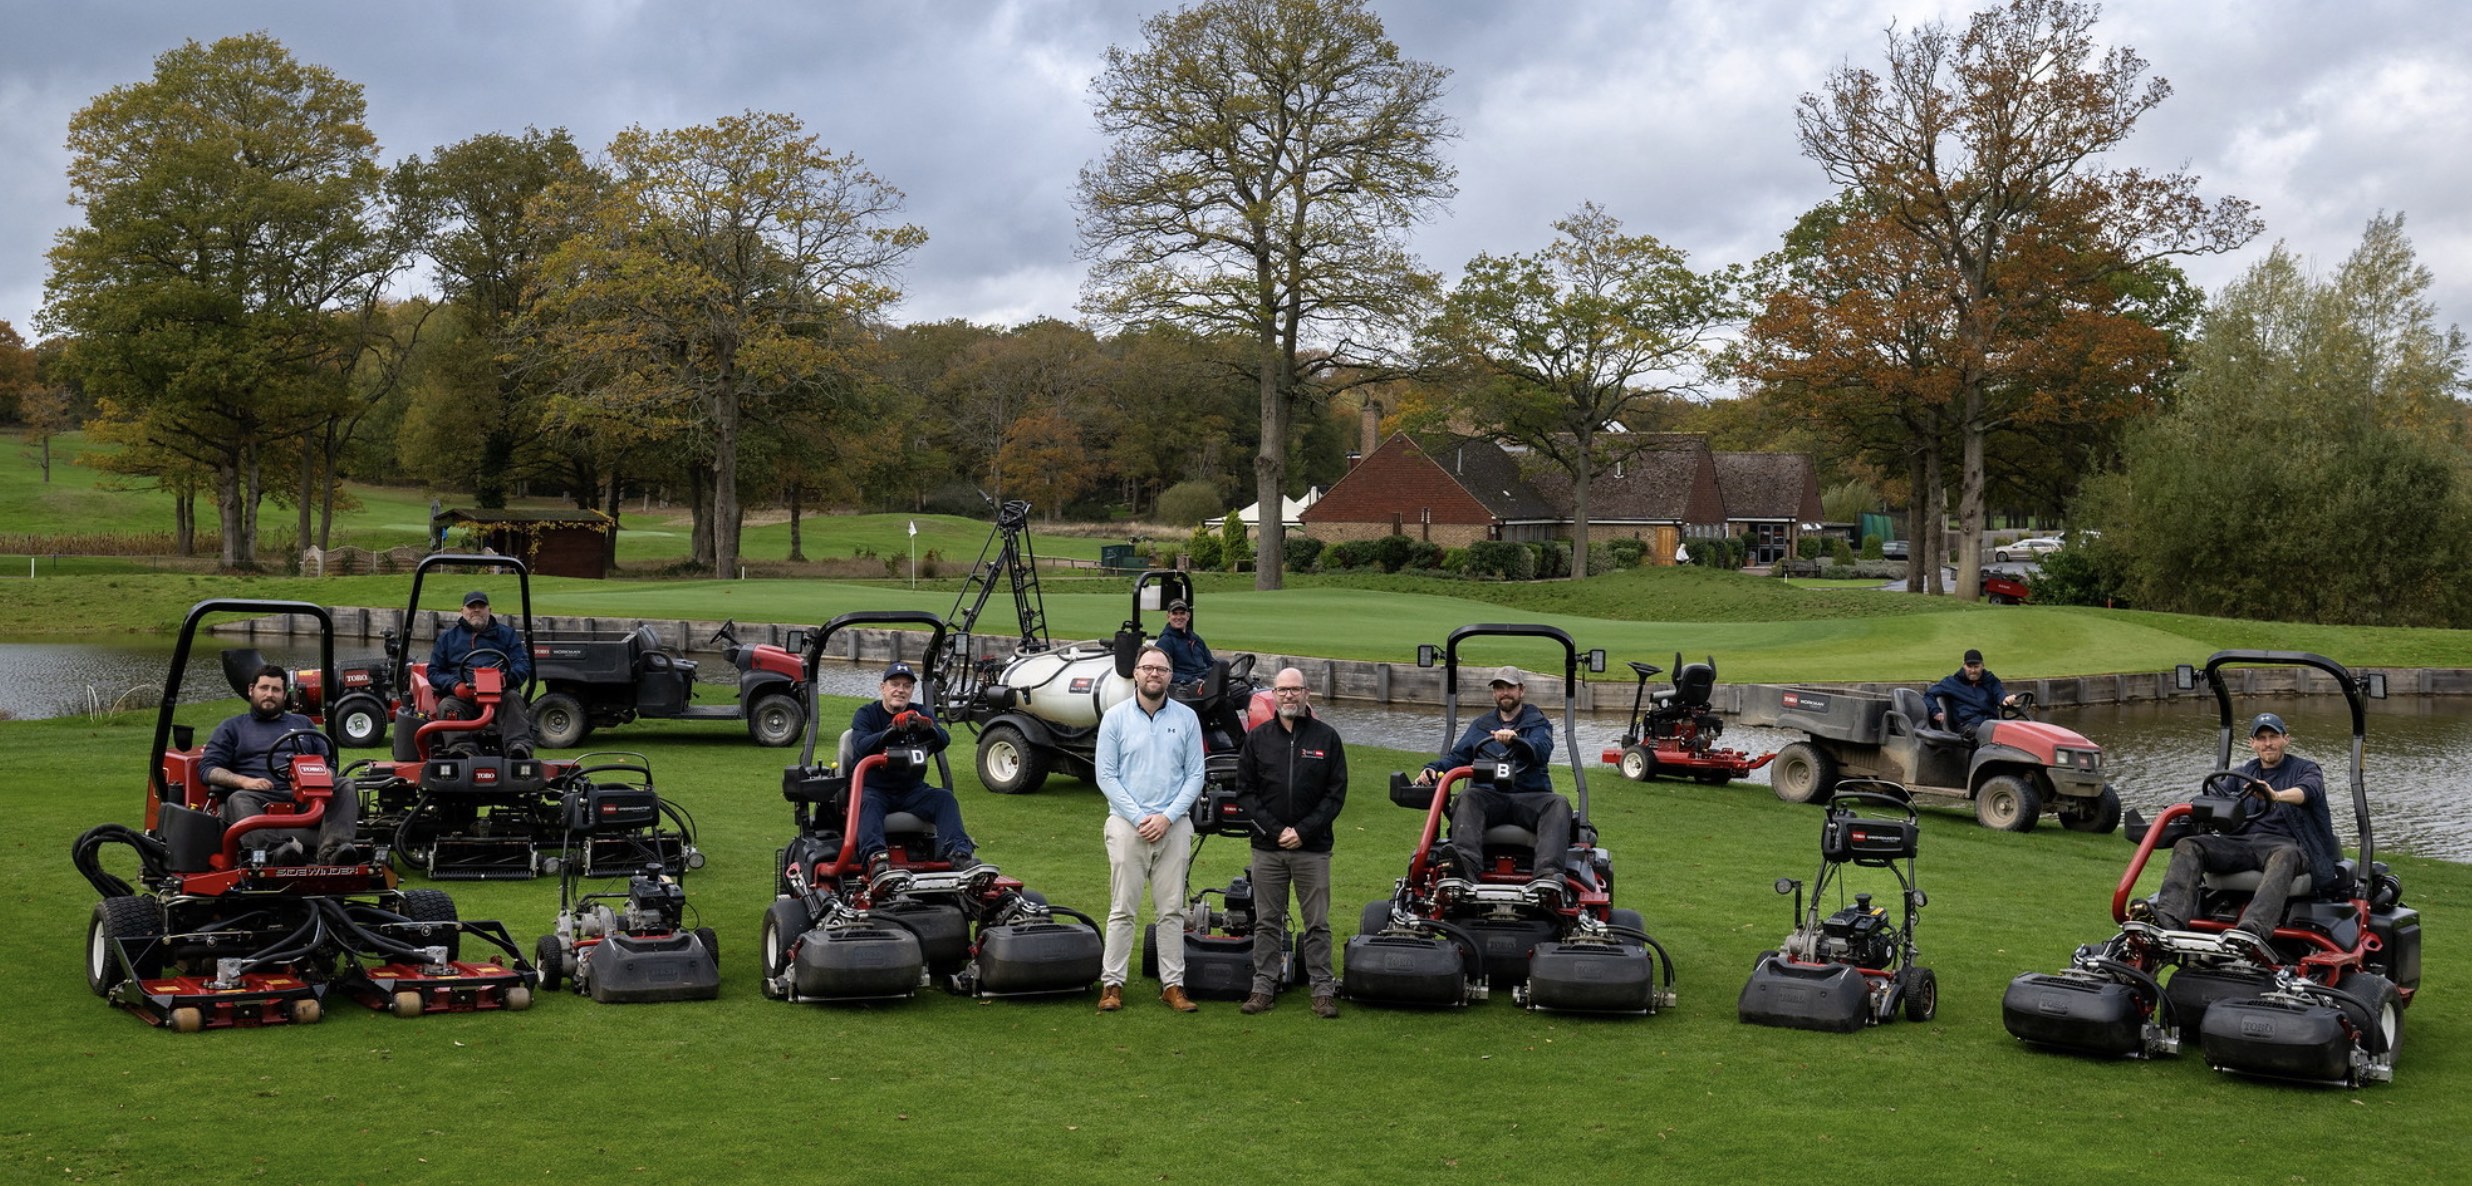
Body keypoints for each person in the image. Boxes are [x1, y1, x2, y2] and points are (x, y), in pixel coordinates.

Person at [2134, 712, 2344, 951]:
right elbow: (2214, 797)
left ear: (2286, 739)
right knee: (2189, 845)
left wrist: (2275, 795)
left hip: (2286, 845)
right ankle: (2168, 920)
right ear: (2252, 743)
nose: (2268, 743)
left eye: (2273, 737)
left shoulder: (2306, 770)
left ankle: (2252, 930)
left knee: (2284, 856)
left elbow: (2307, 791)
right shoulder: (2242, 774)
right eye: (2261, 738)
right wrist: (2180, 812)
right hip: (2240, 845)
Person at [1094, 643, 1208, 1013]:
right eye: (1147, 668)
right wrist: (1139, 817)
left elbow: (1195, 775)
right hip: (1127, 825)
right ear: (1136, 673)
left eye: (1161, 669)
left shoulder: (1187, 718)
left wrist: (1167, 817)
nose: (1154, 674)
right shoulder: (1115, 718)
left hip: (1173, 826)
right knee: (1122, 909)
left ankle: (1172, 985)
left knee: (1172, 910)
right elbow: (1106, 776)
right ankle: (1112, 984)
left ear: (1170, 676)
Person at [1232, 667, 1347, 1019]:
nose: (1288, 696)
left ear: (1306, 693)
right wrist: (1276, 831)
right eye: (1282, 690)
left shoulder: (1327, 738)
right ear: (1274, 694)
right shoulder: (1257, 738)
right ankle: (1263, 987)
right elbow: (1245, 793)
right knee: (1267, 921)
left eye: (1295, 689)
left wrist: (1303, 831)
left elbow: (1335, 795)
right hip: (1268, 848)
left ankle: (1322, 990)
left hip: (1312, 848)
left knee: (1317, 923)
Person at [1414, 665, 1570, 900]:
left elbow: (1541, 749)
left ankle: (1547, 875)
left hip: (1529, 797)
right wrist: (1433, 769)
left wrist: (1517, 741)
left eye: (1510, 687)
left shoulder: (1537, 723)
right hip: (1489, 797)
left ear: (1521, 690)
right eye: (1499, 688)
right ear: (1493, 693)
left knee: (1558, 803)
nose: (1504, 693)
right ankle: (1465, 868)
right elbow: (1457, 757)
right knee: (1466, 797)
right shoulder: (1482, 726)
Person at [200, 665, 364, 865]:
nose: (269, 694)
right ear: (251, 690)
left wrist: (325, 775)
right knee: (238, 798)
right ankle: (275, 854)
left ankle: (333, 852)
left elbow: (329, 761)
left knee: (345, 784)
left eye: (276, 689)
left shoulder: (303, 723)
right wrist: (245, 782)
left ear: (285, 694)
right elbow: (208, 769)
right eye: (264, 688)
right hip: (260, 796)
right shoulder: (232, 727)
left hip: (305, 796)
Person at [847, 661, 981, 885]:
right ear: (883, 687)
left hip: (911, 790)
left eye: (907, 686)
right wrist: (891, 731)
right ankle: (876, 860)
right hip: (874, 789)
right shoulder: (867, 714)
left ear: (911, 690)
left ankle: (959, 855)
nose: (900, 690)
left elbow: (943, 740)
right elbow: (861, 745)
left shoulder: (918, 712)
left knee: (944, 799)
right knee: (868, 803)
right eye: (895, 684)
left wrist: (929, 728)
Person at [428, 589, 536, 758]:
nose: (476, 610)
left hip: (499, 695)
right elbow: (434, 671)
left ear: (489, 610)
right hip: (463, 697)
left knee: (513, 699)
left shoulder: (507, 635)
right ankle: (462, 749)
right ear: (462, 611)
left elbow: (522, 663)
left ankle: (518, 747)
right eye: (471, 607)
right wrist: (455, 685)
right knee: (447, 706)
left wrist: (505, 678)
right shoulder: (448, 638)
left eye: (481, 606)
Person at [1927, 648, 2019, 738]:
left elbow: (1999, 693)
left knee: (2014, 733)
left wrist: (2005, 699)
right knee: (1989, 734)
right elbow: (1929, 695)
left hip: (1990, 723)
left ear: (1982, 666)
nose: (1973, 670)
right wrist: (1935, 711)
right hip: (1967, 726)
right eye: (1969, 667)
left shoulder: (1990, 680)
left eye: (1976, 667)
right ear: (1964, 666)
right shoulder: (1952, 683)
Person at [1156, 598, 1214, 692]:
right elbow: (1162, 672)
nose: (1179, 617)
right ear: (1168, 616)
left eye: (1182, 613)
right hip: (1185, 689)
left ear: (1188, 616)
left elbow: (1211, 663)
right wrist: (1192, 680)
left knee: (1237, 691)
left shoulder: (1195, 639)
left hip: (1206, 684)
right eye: (1175, 614)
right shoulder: (1165, 642)